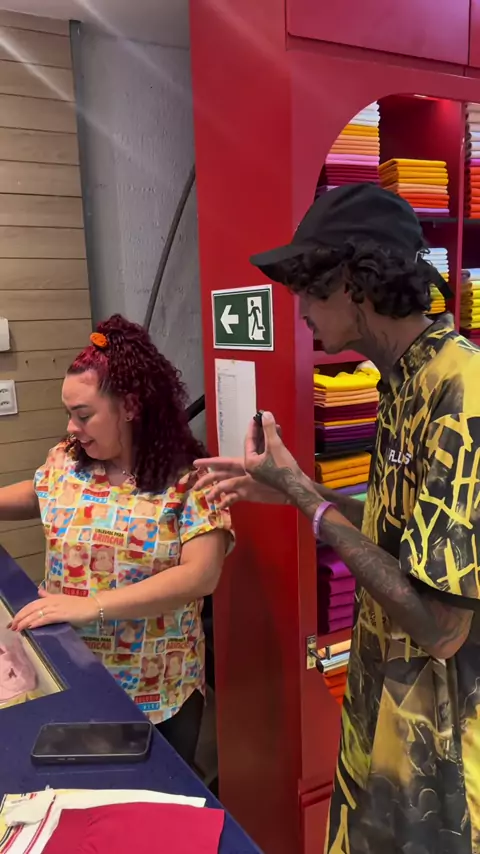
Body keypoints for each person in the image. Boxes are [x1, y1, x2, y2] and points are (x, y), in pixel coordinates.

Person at [196, 184, 480, 853]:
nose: (299, 311)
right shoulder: (404, 381)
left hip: (438, 769)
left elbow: (441, 627)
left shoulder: (461, 393)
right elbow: (401, 532)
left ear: (354, 283)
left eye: (309, 288)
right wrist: (295, 491)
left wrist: (310, 500)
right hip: (379, 731)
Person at [4, 315, 233, 765]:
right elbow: (40, 493)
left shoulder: (190, 479)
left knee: (153, 792)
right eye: (70, 414)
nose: (72, 427)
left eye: (83, 415)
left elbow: (201, 574)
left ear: (129, 406)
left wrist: (93, 605)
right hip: (71, 669)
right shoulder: (68, 460)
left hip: (156, 690)